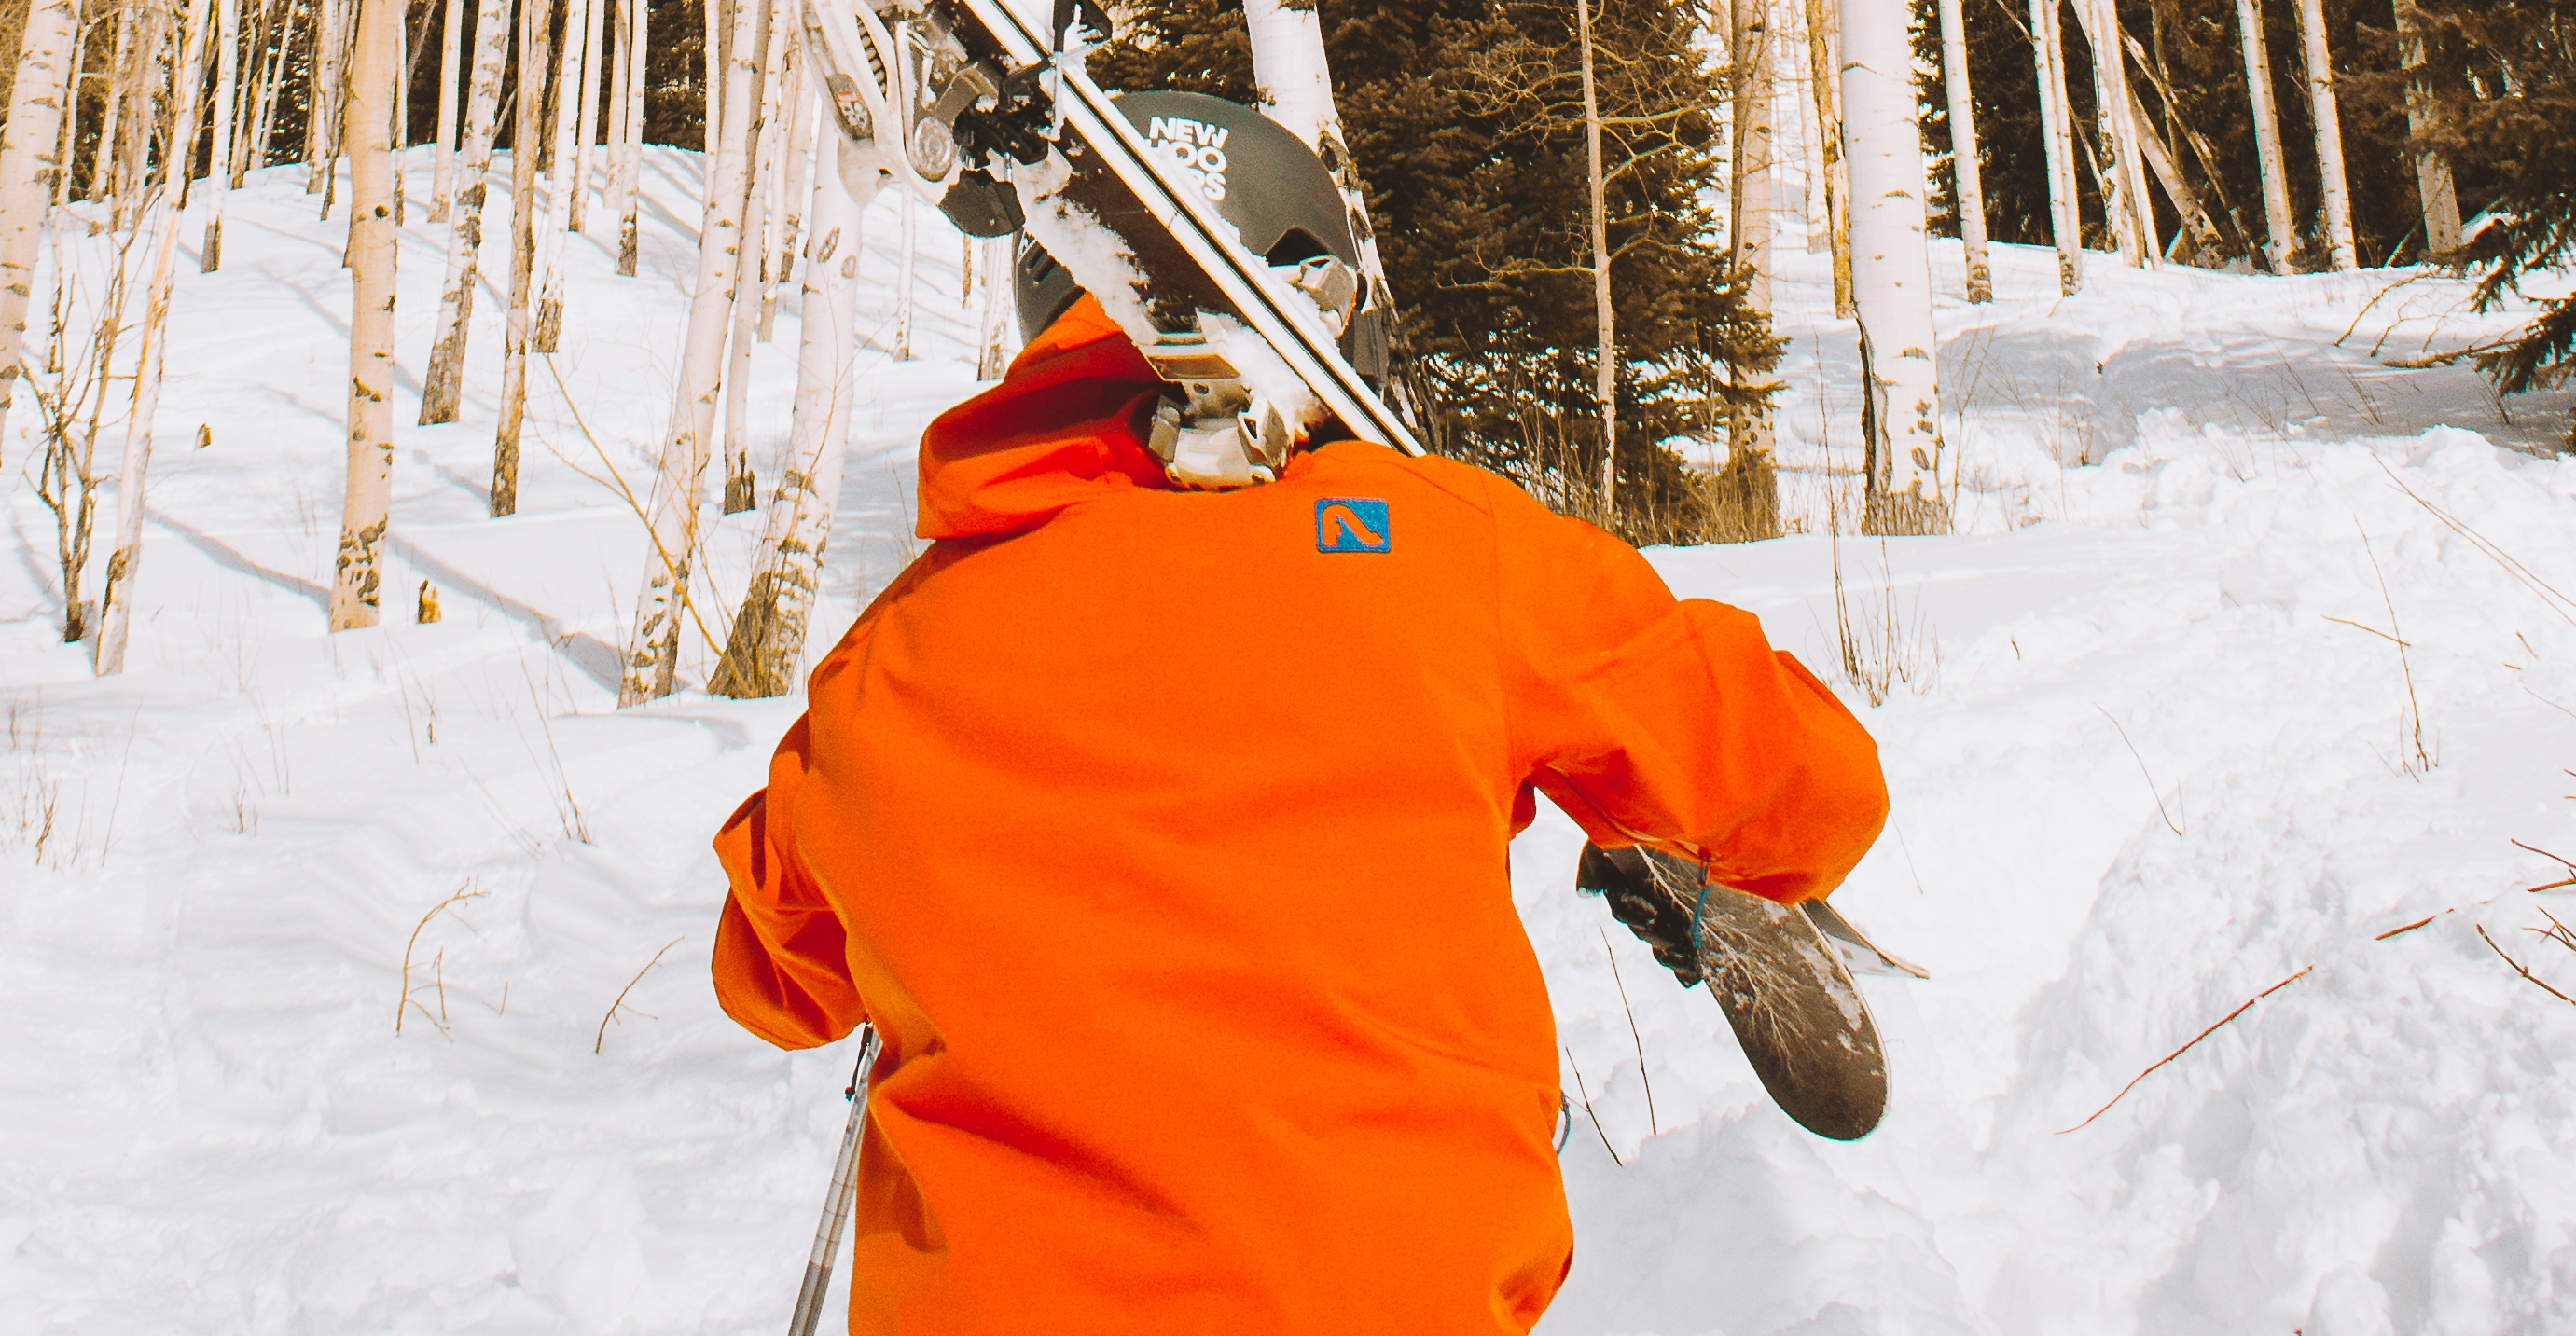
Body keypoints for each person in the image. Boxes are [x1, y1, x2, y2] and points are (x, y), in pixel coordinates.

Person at [711, 91, 1887, 1336]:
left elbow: (768, 977)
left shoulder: (886, 660)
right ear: (1330, 305)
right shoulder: (1444, 552)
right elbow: (1814, 789)